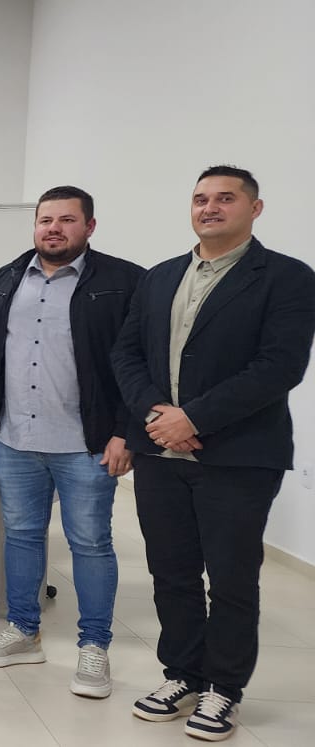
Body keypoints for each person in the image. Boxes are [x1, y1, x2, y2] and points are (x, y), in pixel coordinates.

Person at [112, 166, 315, 741]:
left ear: (255, 208)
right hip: (160, 454)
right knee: (170, 572)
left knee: (230, 579)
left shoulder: (286, 278)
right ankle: (181, 673)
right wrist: (157, 415)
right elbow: (126, 354)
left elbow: (279, 366)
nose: (210, 208)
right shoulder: (160, 277)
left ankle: (224, 687)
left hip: (238, 457)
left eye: (226, 198)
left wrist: (193, 418)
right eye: (201, 198)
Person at [0, 186, 144, 699]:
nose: (54, 229)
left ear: (90, 226)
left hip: (88, 444)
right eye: (46, 220)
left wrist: (125, 431)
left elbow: (140, 363)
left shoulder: (124, 281)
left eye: (66, 220)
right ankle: (24, 630)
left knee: (90, 543)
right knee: (22, 536)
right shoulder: (5, 280)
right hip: (15, 439)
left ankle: (95, 646)